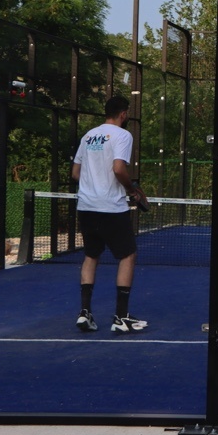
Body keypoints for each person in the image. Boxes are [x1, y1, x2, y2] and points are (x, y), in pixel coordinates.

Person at [71, 96, 149, 335]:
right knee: (128, 255)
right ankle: (121, 317)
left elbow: (76, 173)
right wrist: (131, 190)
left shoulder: (88, 136)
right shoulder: (123, 135)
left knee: (91, 256)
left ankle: (85, 313)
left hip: (86, 207)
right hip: (111, 208)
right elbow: (118, 168)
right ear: (123, 114)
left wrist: (94, 183)